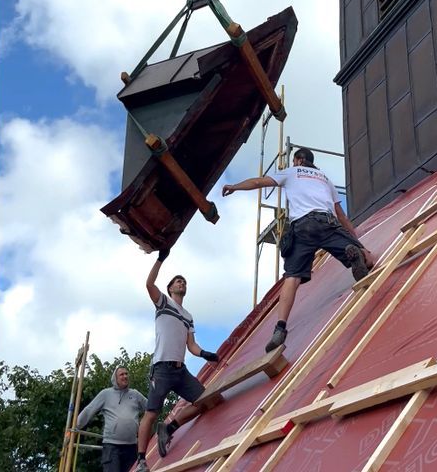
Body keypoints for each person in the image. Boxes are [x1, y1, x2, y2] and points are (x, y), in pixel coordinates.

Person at [222, 148, 376, 353]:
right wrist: (360, 244)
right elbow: (342, 216)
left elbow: (259, 182)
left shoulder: (292, 172)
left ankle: (280, 328)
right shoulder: (325, 179)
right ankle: (355, 254)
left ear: (298, 160)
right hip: (328, 223)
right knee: (368, 259)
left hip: (302, 227)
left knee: (292, 277)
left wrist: (235, 186)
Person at [135, 251, 221, 460]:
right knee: (152, 413)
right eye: (177, 281)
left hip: (180, 370)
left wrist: (205, 354)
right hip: (162, 369)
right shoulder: (163, 302)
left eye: (184, 282)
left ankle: (169, 427)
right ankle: (141, 459)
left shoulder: (188, 316)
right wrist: (161, 259)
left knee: (206, 401)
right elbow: (149, 284)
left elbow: (191, 345)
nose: (182, 283)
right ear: (170, 288)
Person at [76, 366, 148, 472]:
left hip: (131, 446)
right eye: (122, 374)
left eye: (126, 374)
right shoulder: (106, 394)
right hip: (112, 446)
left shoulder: (135, 394)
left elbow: (151, 408)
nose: (125, 376)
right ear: (115, 378)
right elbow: (89, 410)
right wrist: (76, 425)